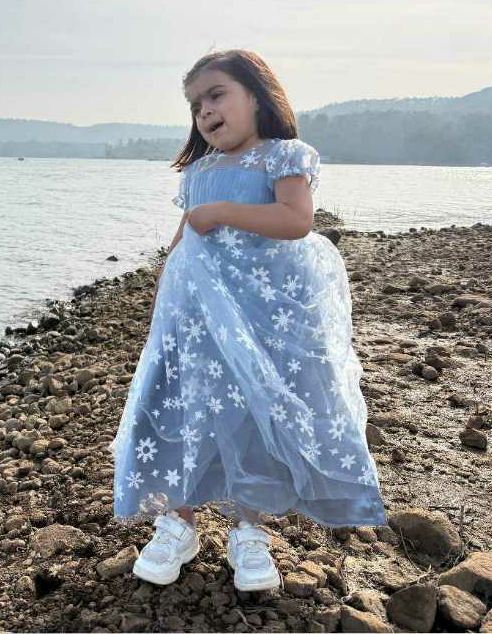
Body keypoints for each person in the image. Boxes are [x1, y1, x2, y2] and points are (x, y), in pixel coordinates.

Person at [109, 49, 388, 592]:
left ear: (257, 96)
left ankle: (249, 529)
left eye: (216, 95)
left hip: (260, 321)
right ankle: (178, 522)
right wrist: (163, 295)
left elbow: (296, 220)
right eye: (195, 105)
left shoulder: (283, 157)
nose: (205, 112)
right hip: (196, 320)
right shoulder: (199, 172)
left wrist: (217, 213)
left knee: (251, 413)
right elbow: (183, 241)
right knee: (184, 406)